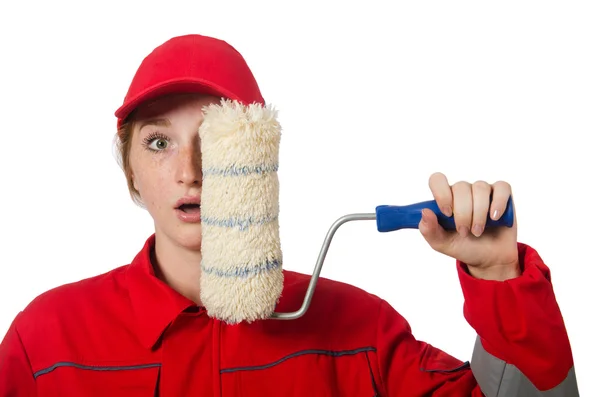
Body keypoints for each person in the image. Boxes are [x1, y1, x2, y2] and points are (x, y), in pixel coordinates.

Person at [0, 33, 578, 396]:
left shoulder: (359, 334)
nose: (189, 171)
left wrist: (501, 280)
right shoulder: (46, 342)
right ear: (129, 167)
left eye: (216, 138)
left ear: (259, 158)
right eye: (158, 142)